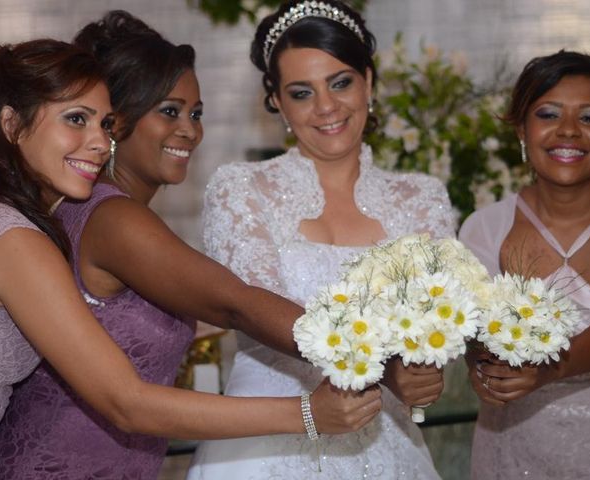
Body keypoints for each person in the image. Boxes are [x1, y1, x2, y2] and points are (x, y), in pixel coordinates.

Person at [0, 12, 382, 480]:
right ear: (124, 117)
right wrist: (371, 356)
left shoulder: (81, 207)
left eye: (195, 114)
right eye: (169, 111)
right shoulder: (111, 216)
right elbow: (234, 304)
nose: (189, 130)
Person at [187, 1, 456, 478]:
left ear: (369, 81)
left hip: (386, 443)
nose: (326, 107)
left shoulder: (422, 198)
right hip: (264, 444)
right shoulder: (241, 189)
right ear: (276, 101)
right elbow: (251, 309)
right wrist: (386, 366)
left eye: (341, 82)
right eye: (301, 92)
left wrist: (424, 370)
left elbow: (432, 330)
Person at [459, 50, 590, 479]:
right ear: (522, 128)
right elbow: (469, 326)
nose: (568, 130)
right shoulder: (484, 228)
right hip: (508, 452)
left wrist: (551, 366)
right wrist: (480, 365)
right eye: (548, 114)